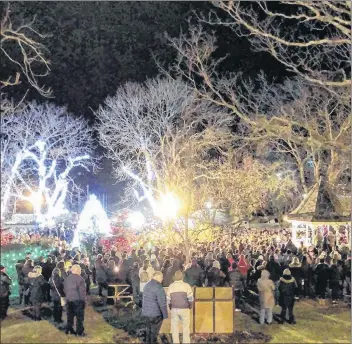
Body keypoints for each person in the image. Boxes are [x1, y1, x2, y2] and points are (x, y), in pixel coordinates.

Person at [167, 270, 194, 344]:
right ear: (182, 277)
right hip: (185, 309)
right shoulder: (186, 285)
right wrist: (190, 306)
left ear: (175, 278)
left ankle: (176, 342)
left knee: (174, 328)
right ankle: (186, 342)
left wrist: (170, 307)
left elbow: (168, 300)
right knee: (185, 327)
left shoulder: (171, 286)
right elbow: (191, 298)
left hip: (174, 309)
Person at [142, 271, 168, 344]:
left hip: (146, 313)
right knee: (154, 333)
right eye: (161, 277)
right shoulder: (158, 287)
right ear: (156, 277)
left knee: (148, 332)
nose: (162, 279)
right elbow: (162, 303)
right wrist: (165, 315)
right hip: (155, 314)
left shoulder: (146, 285)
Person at [64, 264, 87, 336]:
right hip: (78, 300)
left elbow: (64, 289)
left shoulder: (67, 278)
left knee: (69, 316)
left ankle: (69, 329)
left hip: (69, 299)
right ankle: (79, 332)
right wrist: (83, 301)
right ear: (78, 270)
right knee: (79, 317)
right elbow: (82, 291)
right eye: (79, 269)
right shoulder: (80, 279)